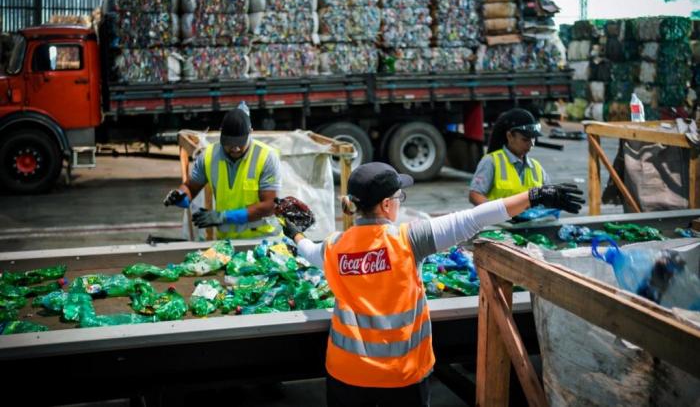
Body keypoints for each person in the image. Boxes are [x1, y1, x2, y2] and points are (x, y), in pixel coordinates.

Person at [281, 162, 583, 407]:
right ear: (386, 205)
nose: (400, 203)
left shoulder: (335, 246)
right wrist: (535, 195)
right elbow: (474, 219)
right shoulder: (408, 240)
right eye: (400, 198)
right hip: (401, 377)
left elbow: (309, 251)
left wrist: (295, 234)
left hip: (345, 374)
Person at [164, 107, 281, 239]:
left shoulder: (266, 157)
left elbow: (270, 205)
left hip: (263, 240)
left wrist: (223, 217)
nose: (235, 148)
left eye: (240, 143)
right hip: (228, 243)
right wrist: (180, 196)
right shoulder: (208, 156)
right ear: (221, 134)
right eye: (230, 143)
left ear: (250, 133)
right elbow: (190, 187)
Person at [469, 108, 550, 206]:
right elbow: (475, 195)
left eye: (532, 140)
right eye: (525, 140)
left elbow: (548, 194)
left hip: (531, 220)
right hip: (500, 221)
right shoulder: (491, 161)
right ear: (510, 136)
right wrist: (497, 212)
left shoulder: (537, 167)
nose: (530, 145)